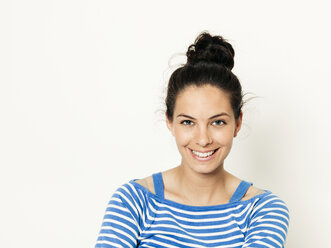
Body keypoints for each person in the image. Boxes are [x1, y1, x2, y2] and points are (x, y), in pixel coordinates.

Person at [94, 32, 290, 248]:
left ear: (238, 122)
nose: (203, 139)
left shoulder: (263, 210)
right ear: (169, 121)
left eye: (218, 122)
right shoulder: (132, 202)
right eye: (188, 122)